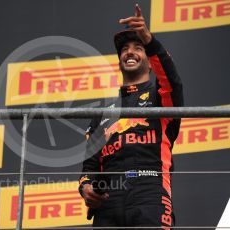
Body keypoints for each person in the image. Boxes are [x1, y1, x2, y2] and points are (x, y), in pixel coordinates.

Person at [78, 4, 183, 229]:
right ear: (120, 60)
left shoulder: (161, 97)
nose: (130, 52)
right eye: (124, 48)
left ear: (151, 61)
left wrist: (150, 40)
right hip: (108, 202)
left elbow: (172, 81)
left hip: (150, 192)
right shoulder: (102, 112)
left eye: (138, 47)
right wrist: (86, 188)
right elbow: (89, 166)